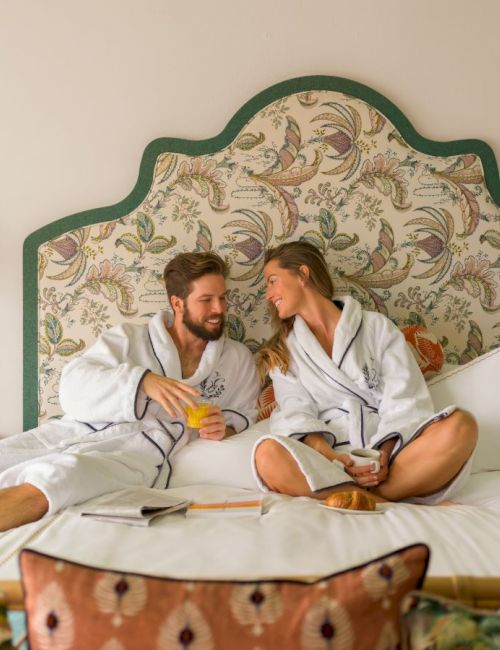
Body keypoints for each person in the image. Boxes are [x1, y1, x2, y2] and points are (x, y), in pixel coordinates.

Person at [0, 251, 260, 531]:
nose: (220, 309)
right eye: (206, 300)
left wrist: (223, 428)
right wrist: (142, 381)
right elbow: (72, 387)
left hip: (135, 456)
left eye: (222, 297)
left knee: (63, 477)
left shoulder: (236, 359)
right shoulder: (128, 339)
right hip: (79, 432)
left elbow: (244, 415)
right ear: (178, 303)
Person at [254, 241, 477, 504]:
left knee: (462, 426)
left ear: (302, 274)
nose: (268, 295)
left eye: (272, 281)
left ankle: (364, 498)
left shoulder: (376, 328)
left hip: (391, 455)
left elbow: (405, 397)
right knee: (266, 454)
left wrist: (383, 454)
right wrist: (335, 459)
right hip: (329, 462)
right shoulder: (284, 350)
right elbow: (295, 414)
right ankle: (377, 500)